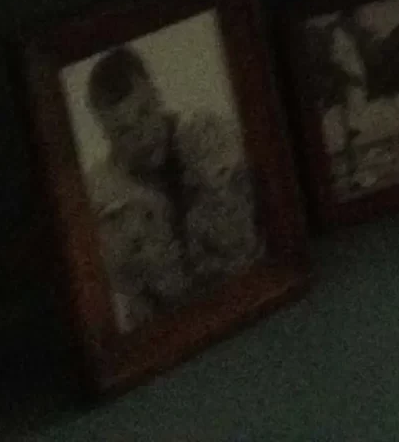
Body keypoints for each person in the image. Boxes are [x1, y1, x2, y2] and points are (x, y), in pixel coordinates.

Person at [80, 41, 262, 331]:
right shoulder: (101, 200)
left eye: (144, 112)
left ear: (156, 93)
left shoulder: (212, 138)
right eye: (123, 131)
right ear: (105, 132)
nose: (142, 134)